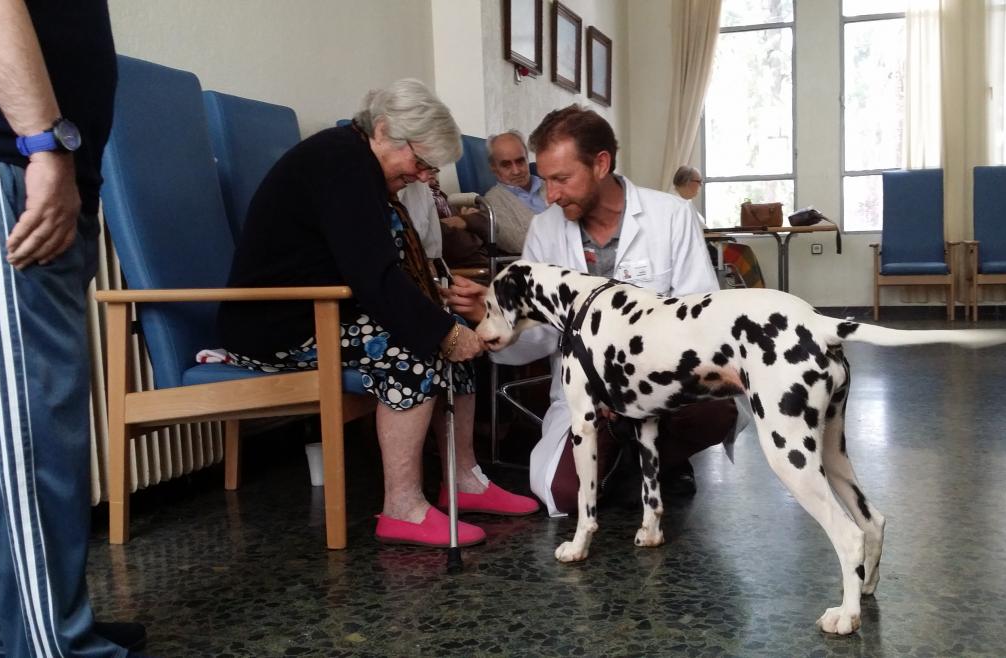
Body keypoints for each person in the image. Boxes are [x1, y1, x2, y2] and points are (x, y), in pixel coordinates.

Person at [217, 79, 538, 547]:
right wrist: (443, 334)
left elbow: (374, 274)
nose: (424, 176)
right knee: (417, 346)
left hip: (322, 314)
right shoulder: (340, 164)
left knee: (441, 334)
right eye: (421, 163)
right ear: (385, 130)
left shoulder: (357, 162)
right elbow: (375, 275)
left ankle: (464, 482)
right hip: (272, 328)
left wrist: (448, 326)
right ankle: (402, 509)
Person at [0, 1, 149, 655]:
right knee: (27, 425)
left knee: (41, 422)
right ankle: (46, 645)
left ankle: (28, 630)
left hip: (37, 159)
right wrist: (41, 139)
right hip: (4, 149)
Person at [445, 105, 745, 517]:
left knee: (718, 409)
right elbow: (542, 338)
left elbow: (698, 319)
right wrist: (494, 317)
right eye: (546, 180)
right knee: (561, 494)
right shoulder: (547, 230)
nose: (549, 195)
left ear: (601, 163)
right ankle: (644, 464)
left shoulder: (671, 216)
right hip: (587, 398)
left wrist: (627, 383)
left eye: (561, 179)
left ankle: (659, 460)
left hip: (662, 386)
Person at [671, 164, 767, 289]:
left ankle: (752, 292)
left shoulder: (684, 202)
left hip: (705, 244)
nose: (701, 185)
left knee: (744, 251)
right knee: (744, 252)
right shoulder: (677, 204)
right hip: (699, 249)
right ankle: (756, 292)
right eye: (699, 182)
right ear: (688, 182)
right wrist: (717, 236)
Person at [482, 129, 548, 254]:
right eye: (506, 165)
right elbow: (521, 245)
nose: (516, 171)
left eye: (520, 161)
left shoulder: (552, 186)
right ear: (494, 168)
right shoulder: (491, 204)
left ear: (527, 158)